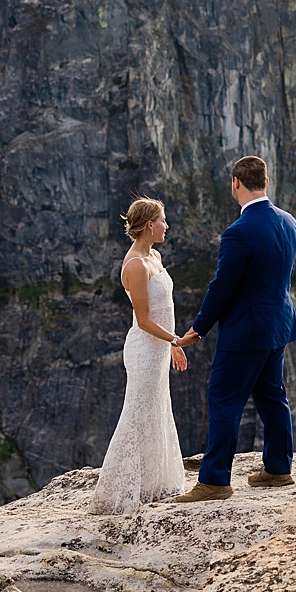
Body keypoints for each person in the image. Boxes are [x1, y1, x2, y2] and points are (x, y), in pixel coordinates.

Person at [169, 156, 296, 502]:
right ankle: (277, 468)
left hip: (246, 331)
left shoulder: (239, 232)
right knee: (273, 396)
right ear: (265, 182)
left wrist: (198, 328)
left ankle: (214, 481)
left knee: (224, 399)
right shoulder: (289, 223)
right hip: (279, 325)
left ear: (235, 183)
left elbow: (222, 287)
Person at [89, 197, 190, 514]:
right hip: (144, 351)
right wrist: (177, 339)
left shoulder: (155, 257)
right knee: (137, 415)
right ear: (149, 225)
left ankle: (152, 484)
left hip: (159, 349)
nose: (166, 225)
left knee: (156, 412)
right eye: (163, 220)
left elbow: (163, 309)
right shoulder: (135, 265)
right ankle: (117, 492)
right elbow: (145, 320)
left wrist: (171, 346)